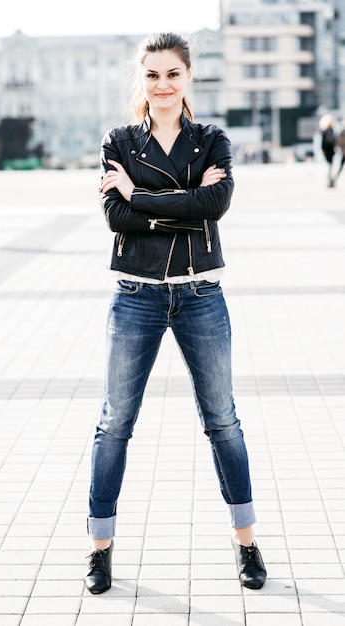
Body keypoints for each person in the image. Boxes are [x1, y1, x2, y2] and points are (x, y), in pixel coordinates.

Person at [83, 32, 267, 595]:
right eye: (152, 75)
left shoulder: (212, 140)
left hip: (199, 294)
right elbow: (117, 218)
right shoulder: (119, 140)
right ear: (141, 80)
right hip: (135, 295)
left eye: (173, 75)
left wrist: (141, 197)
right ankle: (99, 551)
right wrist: (174, 206)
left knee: (223, 421)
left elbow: (216, 205)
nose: (162, 85)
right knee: (115, 423)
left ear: (189, 78)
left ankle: (248, 544)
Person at [321, 116, 337, 187]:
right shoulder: (326, 131)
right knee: (330, 166)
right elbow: (324, 142)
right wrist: (323, 150)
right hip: (328, 150)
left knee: (330, 166)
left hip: (330, 150)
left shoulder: (332, 131)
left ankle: (331, 180)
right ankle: (329, 180)